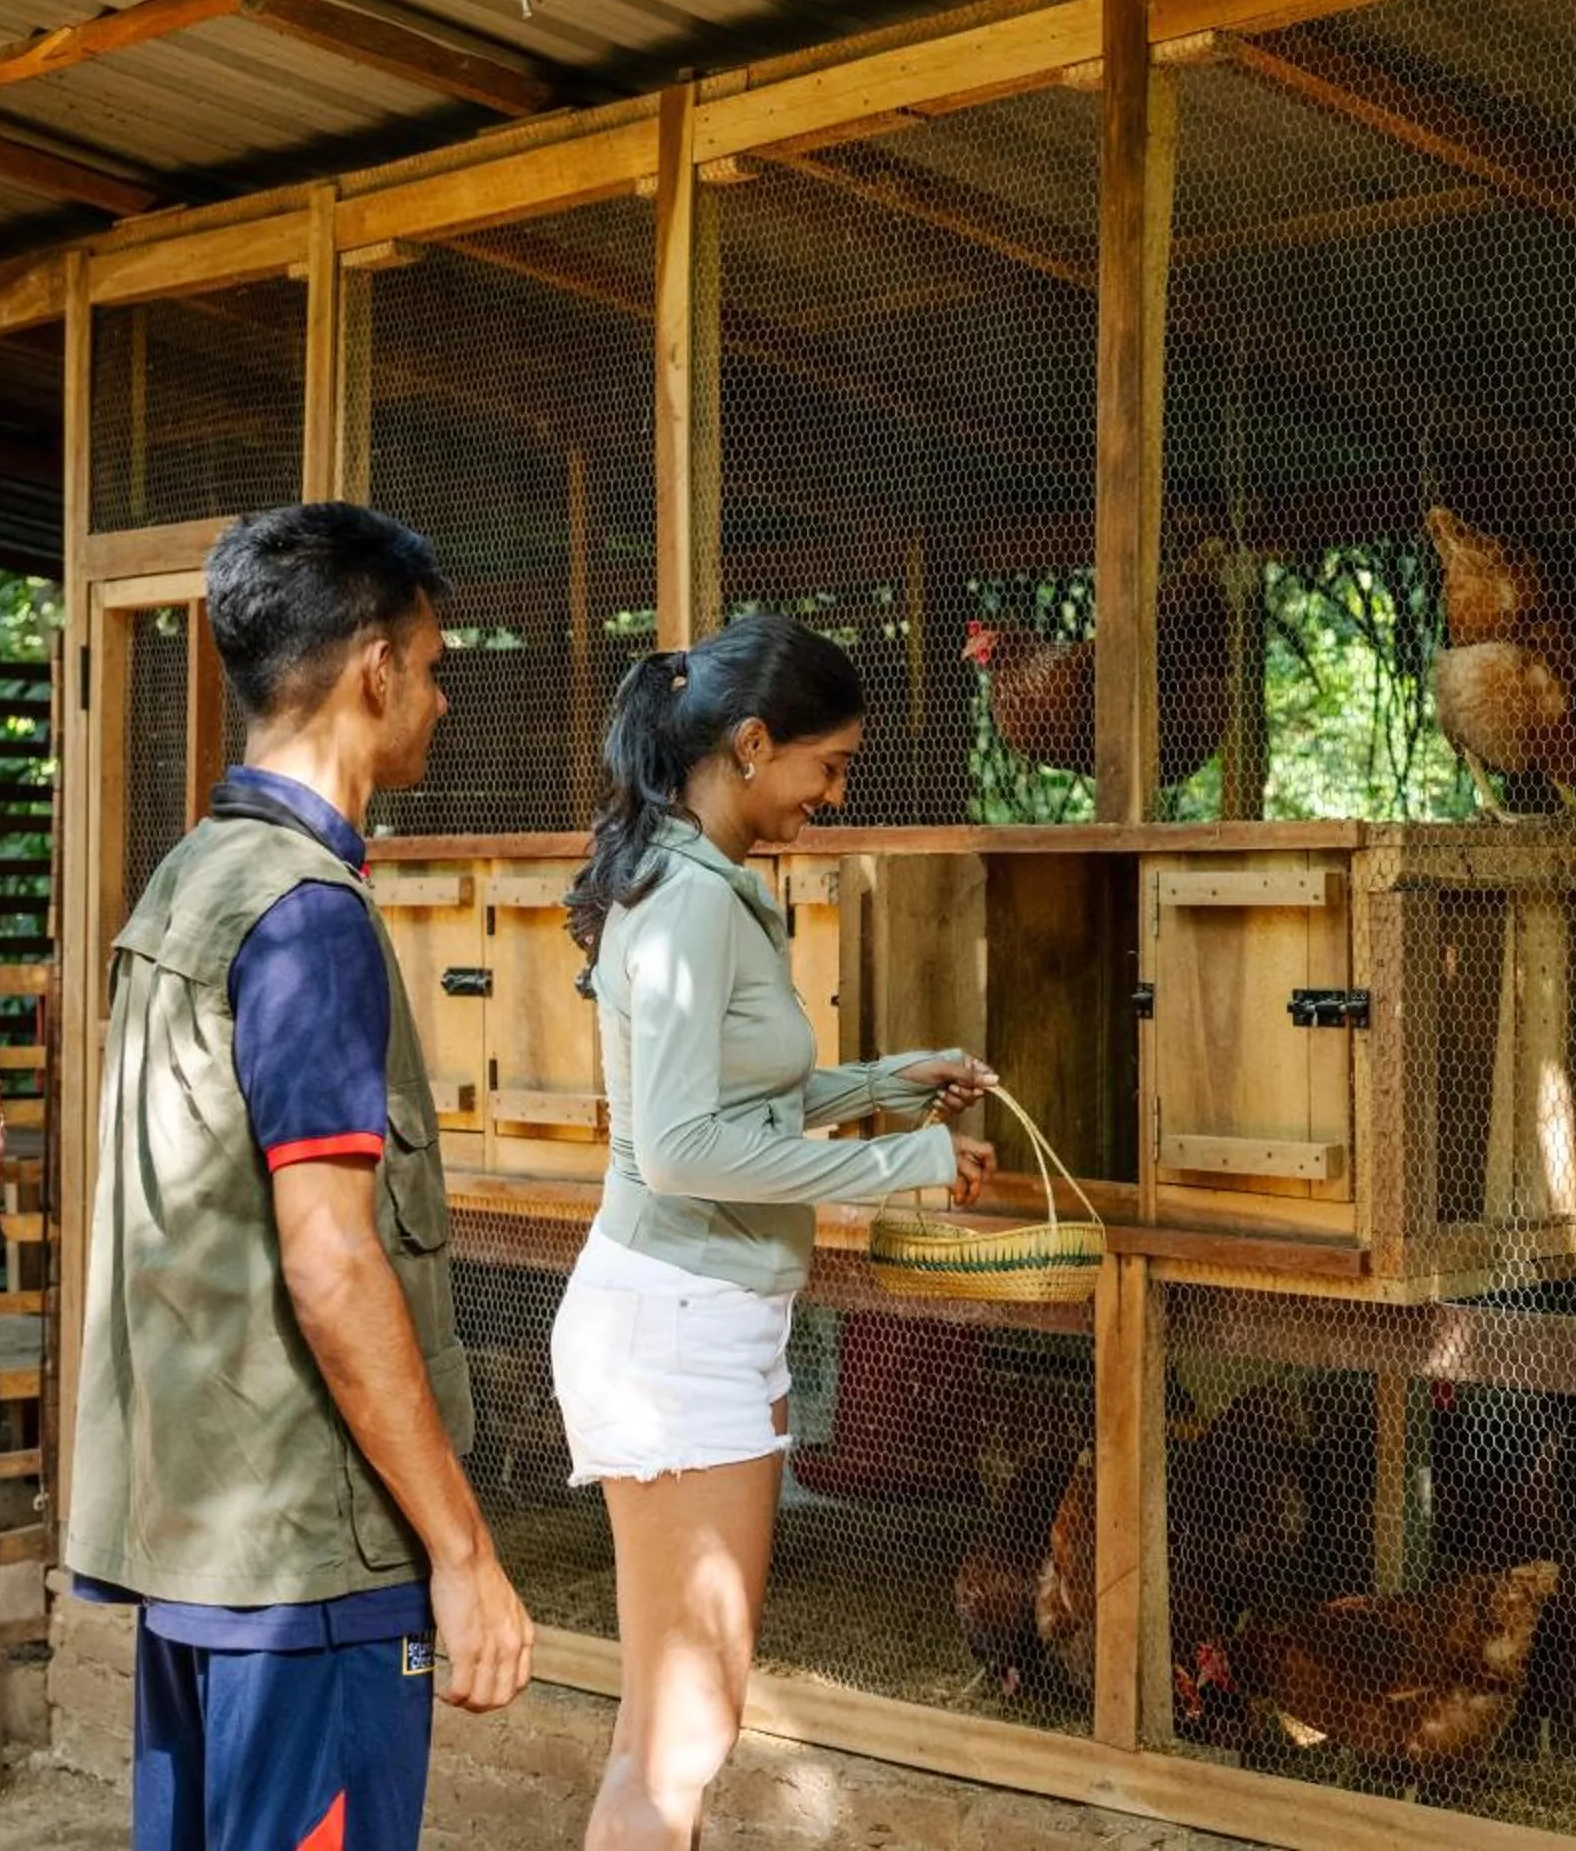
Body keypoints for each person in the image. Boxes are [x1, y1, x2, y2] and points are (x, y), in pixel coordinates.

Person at [66, 502, 534, 1851]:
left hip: (204, 1559)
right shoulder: (306, 917)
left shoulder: (188, 881)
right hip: (309, 1576)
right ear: (376, 670)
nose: (441, 700)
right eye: (436, 667)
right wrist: (462, 1553)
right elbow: (330, 1261)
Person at [553, 614, 1000, 1849]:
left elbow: (731, 1101)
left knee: (667, 1730)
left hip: (695, 1316)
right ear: (753, 744)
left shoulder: (694, 880)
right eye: (828, 763)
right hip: (676, 1325)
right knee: (684, 1731)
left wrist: (881, 1085)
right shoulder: (693, 902)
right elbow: (686, 1147)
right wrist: (905, 1162)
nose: (832, 792)